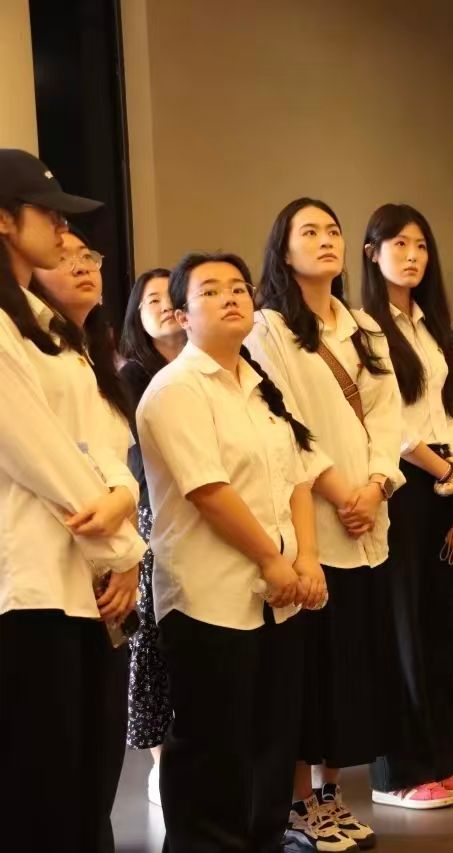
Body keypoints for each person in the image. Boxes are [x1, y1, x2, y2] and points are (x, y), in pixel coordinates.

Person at [138, 251, 326, 851]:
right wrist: (271, 560)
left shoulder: (260, 384)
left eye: (239, 288)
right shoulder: (175, 389)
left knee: (272, 741)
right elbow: (208, 491)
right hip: (210, 596)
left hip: (280, 595)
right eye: (211, 290)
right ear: (182, 316)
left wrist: (306, 558)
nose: (231, 297)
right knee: (213, 750)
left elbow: (298, 477)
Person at [0, 148, 146, 852]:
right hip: (29, 585)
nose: (64, 230)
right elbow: (38, 452)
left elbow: (104, 444)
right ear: (4, 221)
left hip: (84, 581)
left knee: (89, 781)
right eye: (49, 214)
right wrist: (123, 541)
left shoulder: (51, 326)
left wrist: (124, 507)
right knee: (42, 788)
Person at [248, 198, 403, 852]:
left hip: (368, 522)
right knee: (306, 674)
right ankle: (295, 808)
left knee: (348, 671)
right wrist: (343, 492)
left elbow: (389, 415)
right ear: (283, 251)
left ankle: (330, 796)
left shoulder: (363, 324)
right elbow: (286, 422)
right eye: (308, 231)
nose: (325, 240)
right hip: (312, 521)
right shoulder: (268, 329)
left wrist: (377, 484)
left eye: (333, 230)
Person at [358, 203, 453, 810]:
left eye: (421, 246)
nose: (412, 256)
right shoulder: (364, 327)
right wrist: (448, 473)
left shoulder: (431, 326)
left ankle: (441, 758)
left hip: (444, 477)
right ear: (372, 253)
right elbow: (392, 424)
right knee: (402, 627)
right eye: (399, 244)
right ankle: (398, 772)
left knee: (442, 627)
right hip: (402, 482)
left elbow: (448, 411)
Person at [117, 265, 184, 804]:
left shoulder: (209, 367)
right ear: (136, 316)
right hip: (152, 515)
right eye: (151, 299)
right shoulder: (131, 376)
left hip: (205, 518)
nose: (163, 306)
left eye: (170, 296)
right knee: (152, 643)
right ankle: (160, 765)